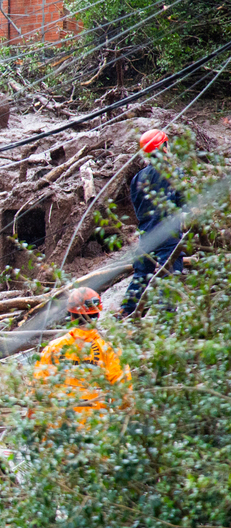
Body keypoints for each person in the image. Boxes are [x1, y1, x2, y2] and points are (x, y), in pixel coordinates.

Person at [34, 287, 130, 416]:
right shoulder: (109, 350)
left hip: (61, 427)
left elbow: (36, 392)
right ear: (98, 315)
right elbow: (124, 396)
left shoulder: (52, 349)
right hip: (97, 428)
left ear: (71, 317)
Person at [121, 129, 185, 317]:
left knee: (141, 273)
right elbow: (185, 203)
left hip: (146, 233)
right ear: (164, 147)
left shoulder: (137, 178)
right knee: (170, 272)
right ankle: (166, 317)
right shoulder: (174, 173)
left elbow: (137, 205)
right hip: (168, 233)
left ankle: (126, 312)